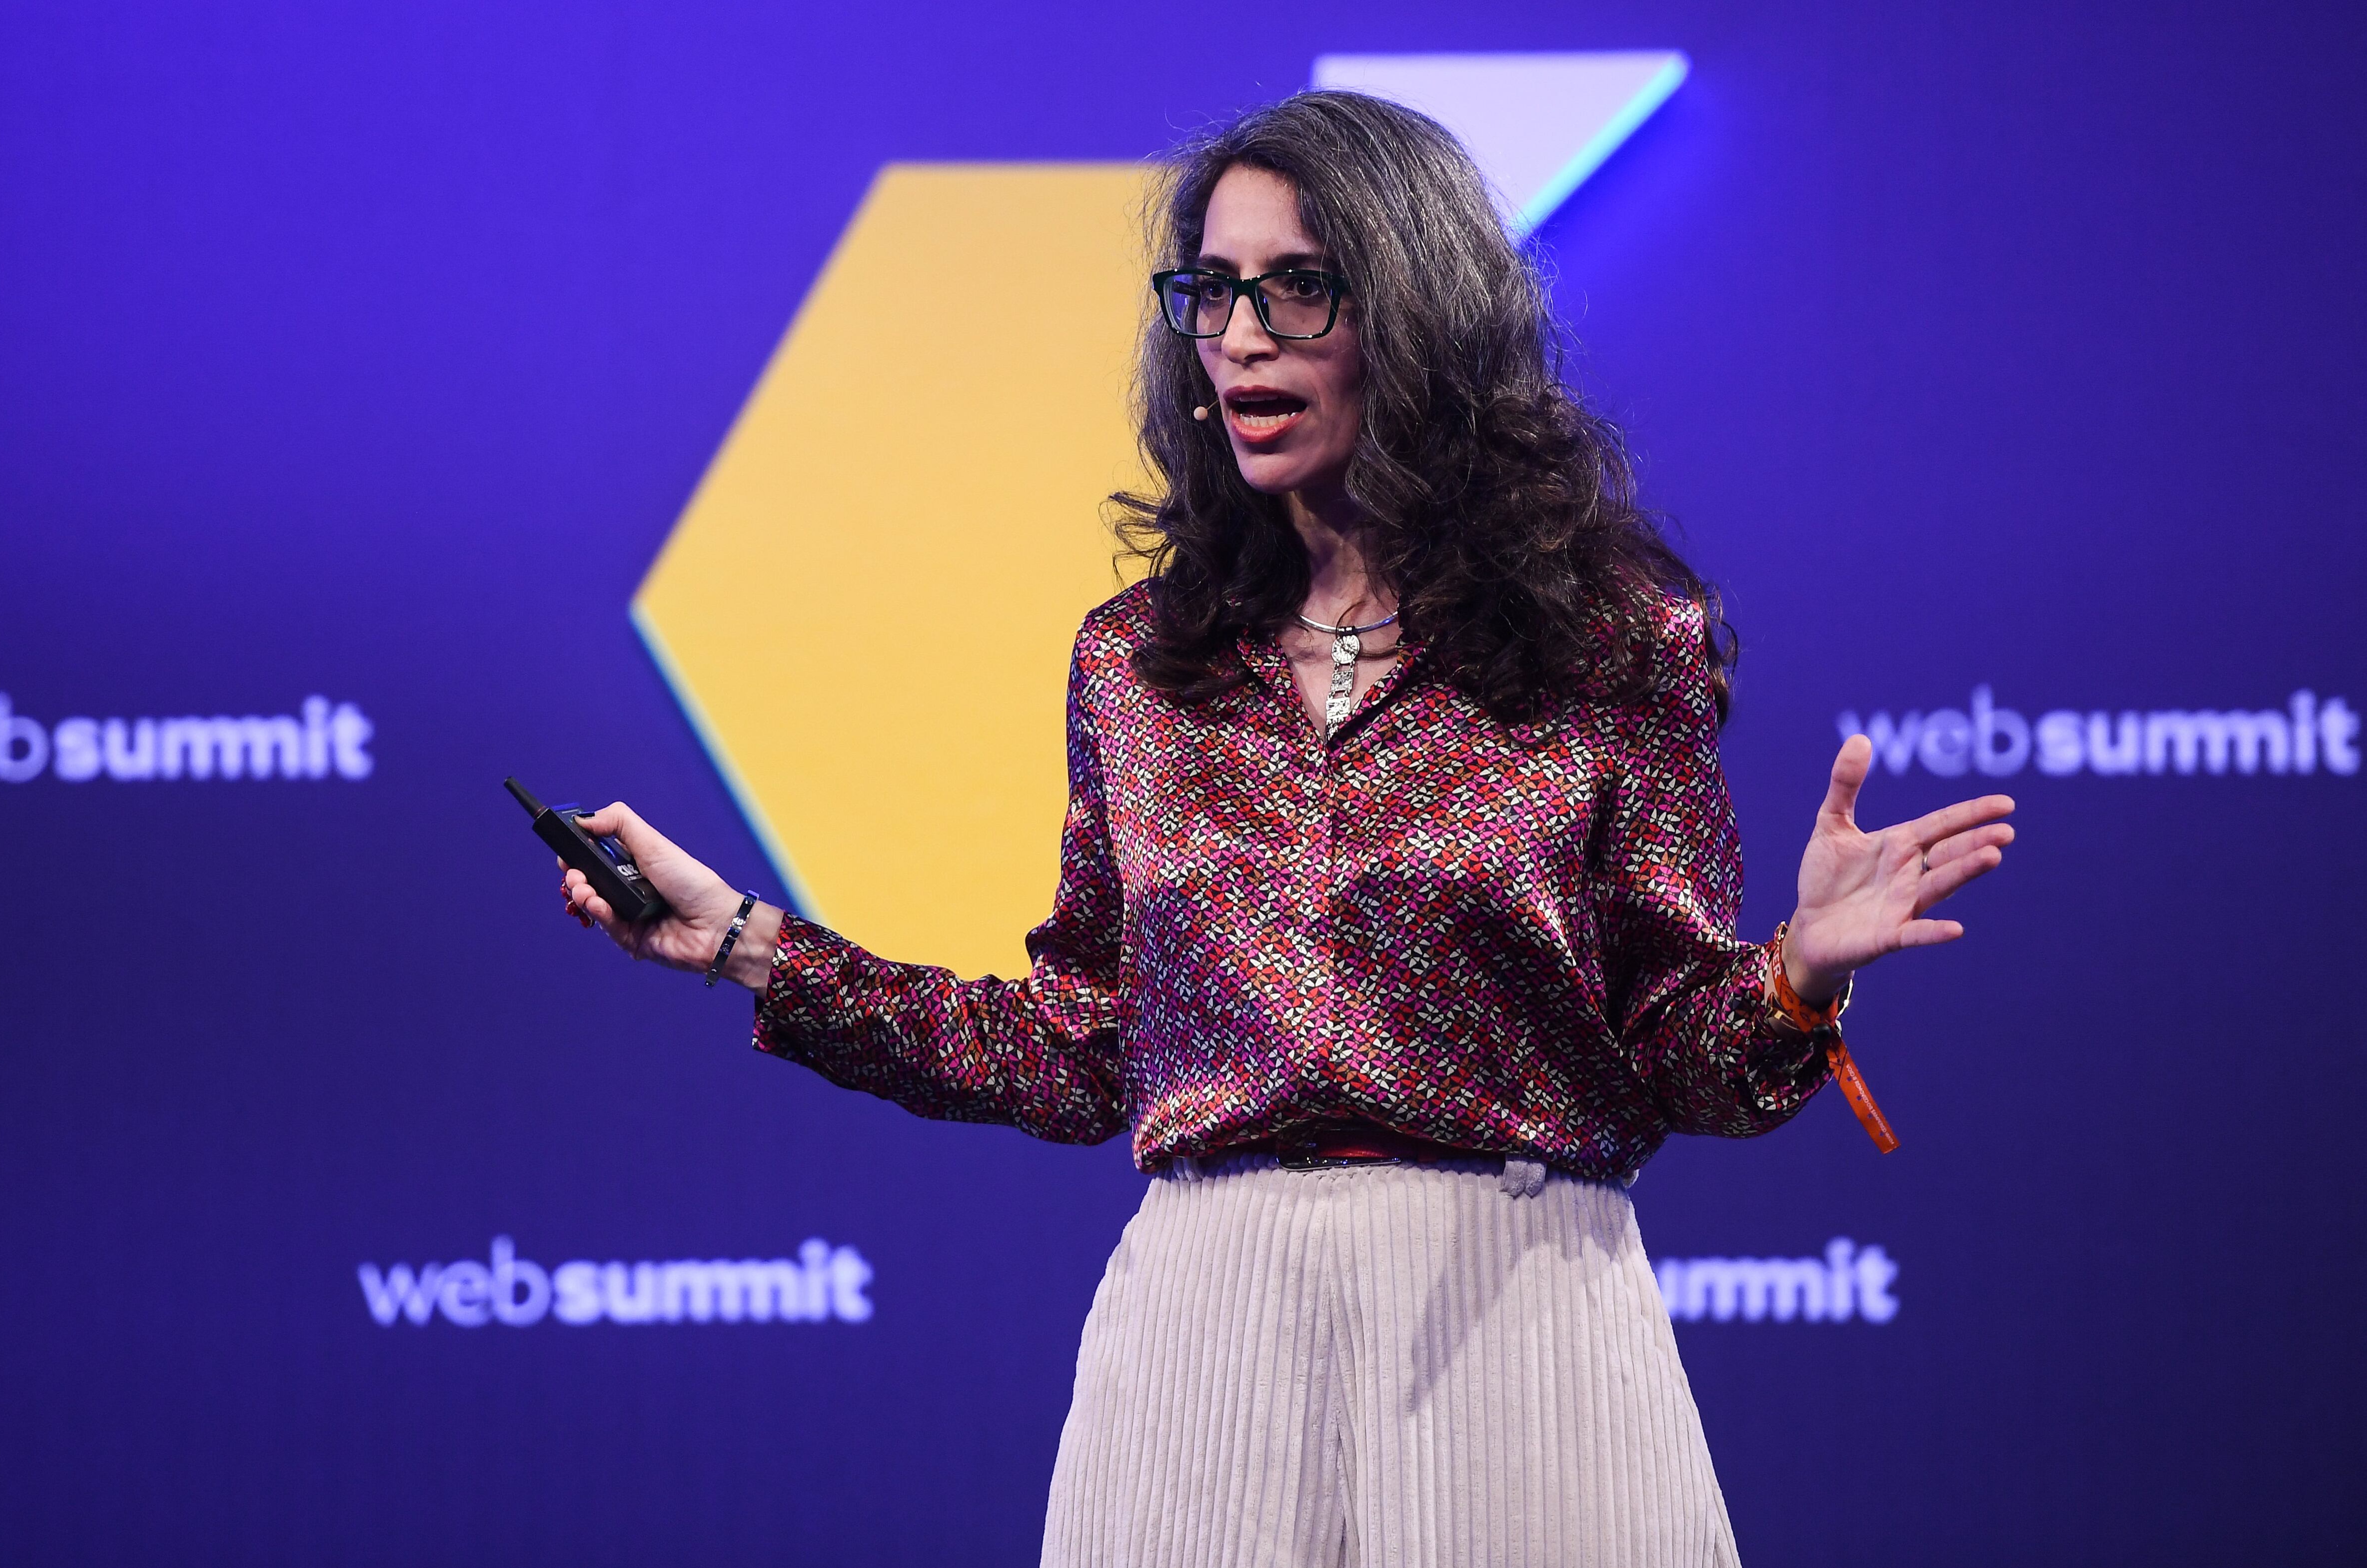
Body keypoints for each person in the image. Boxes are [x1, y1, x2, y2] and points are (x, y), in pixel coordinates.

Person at [557, 91, 2014, 1568]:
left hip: (1519, 1321)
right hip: (1208, 1338)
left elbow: (1678, 1053)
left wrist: (1796, 973)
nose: (1241, 333)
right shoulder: (1138, 662)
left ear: (1417, 309)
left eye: (1297, 286)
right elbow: (1077, 1051)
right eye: (1212, 289)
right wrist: (747, 944)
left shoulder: (1610, 641)